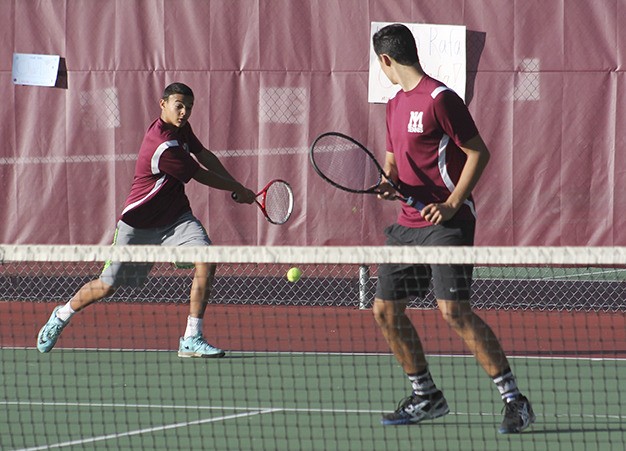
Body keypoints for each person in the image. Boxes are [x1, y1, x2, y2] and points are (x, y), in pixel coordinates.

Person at [371, 24, 535, 433]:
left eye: (380, 63)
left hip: (448, 223)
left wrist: (451, 204)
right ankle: (426, 395)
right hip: (406, 226)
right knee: (385, 311)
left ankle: (515, 400)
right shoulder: (393, 104)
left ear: (386, 60)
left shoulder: (441, 99)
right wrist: (389, 185)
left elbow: (479, 152)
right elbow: (393, 163)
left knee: (453, 311)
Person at [36, 82, 256, 358]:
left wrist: (236, 184)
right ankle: (61, 315)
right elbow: (199, 173)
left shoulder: (181, 129)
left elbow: (204, 155)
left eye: (189, 107)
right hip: (138, 226)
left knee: (207, 258)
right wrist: (237, 189)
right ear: (162, 104)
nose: (184, 111)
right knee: (107, 286)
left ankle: (191, 337)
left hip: (177, 219)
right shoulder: (163, 144)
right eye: (179, 105)